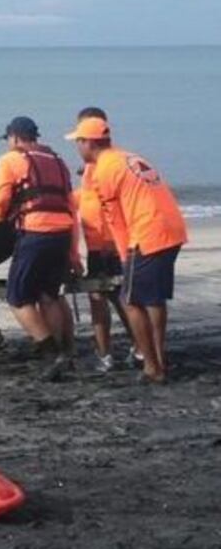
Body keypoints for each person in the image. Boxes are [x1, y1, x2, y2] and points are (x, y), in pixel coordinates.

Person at [66, 116, 188, 383]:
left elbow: (115, 219)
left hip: (147, 233)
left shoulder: (104, 169)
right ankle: (158, 358)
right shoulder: (128, 157)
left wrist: (125, 255)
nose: (77, 147)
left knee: (132, 302)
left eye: (78, 142)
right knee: (153, 299)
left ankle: (152, 367)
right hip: (172, 229)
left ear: (89, 143)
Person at [0, 116, 77, 380]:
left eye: (8, 139)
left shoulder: (10, 160)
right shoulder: (58, 161)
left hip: (35, 232)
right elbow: (70, 203)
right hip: (63, 233)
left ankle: (51, 353)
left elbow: (0, 198)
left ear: (15, 137)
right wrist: (74, 252)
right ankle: (63, 353)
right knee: (48, 295)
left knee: (17, 298)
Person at [70, 107, 138, 372]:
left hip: (110, 241)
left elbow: (107, 202)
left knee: (116, 297)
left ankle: (132, 348)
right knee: (102, 296)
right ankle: (109, 352)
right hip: (97, 241)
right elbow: (87, 197)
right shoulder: (93, 166)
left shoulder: (108, 163)